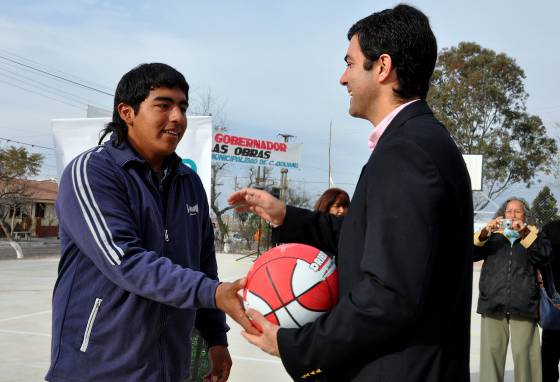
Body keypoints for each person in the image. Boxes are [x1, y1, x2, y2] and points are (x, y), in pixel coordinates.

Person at [228, 4, 473, 381]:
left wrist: (297, 345)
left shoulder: (407, 151)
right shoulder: (417, 142)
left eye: (350, 62)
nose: (343, 78)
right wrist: (286, 216)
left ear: (382, 67)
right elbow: (373, 239)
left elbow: (389, 295)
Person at [45, 63, 255, 382]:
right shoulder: (91, 172)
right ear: (127, 112)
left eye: (182, 107)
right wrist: (213, 292)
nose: (177, 117)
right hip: (96, 369)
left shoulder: (189, 183)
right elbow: (125, 261)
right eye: (164, 105)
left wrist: (216, 339)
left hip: (169, 370)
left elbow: (203, 268)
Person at [474, 197, 552, 382]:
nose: (512, 215)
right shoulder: (493, 235)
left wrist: (525, 232)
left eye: (517, 211)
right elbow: (471, 254)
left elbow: (544, 256)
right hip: (493, 301)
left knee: (524, 354)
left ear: (525, 215)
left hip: (524, 302)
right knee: (491, 355)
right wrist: (485, 232)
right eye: (509, 211)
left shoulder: (534, 233)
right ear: (503, 213)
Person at [540, 219, 560, 382]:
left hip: (554, 299)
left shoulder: (549, 228)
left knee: (549, 358)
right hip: (555, 301)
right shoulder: (551, 228)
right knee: (549, 358)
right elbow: (541, 258)